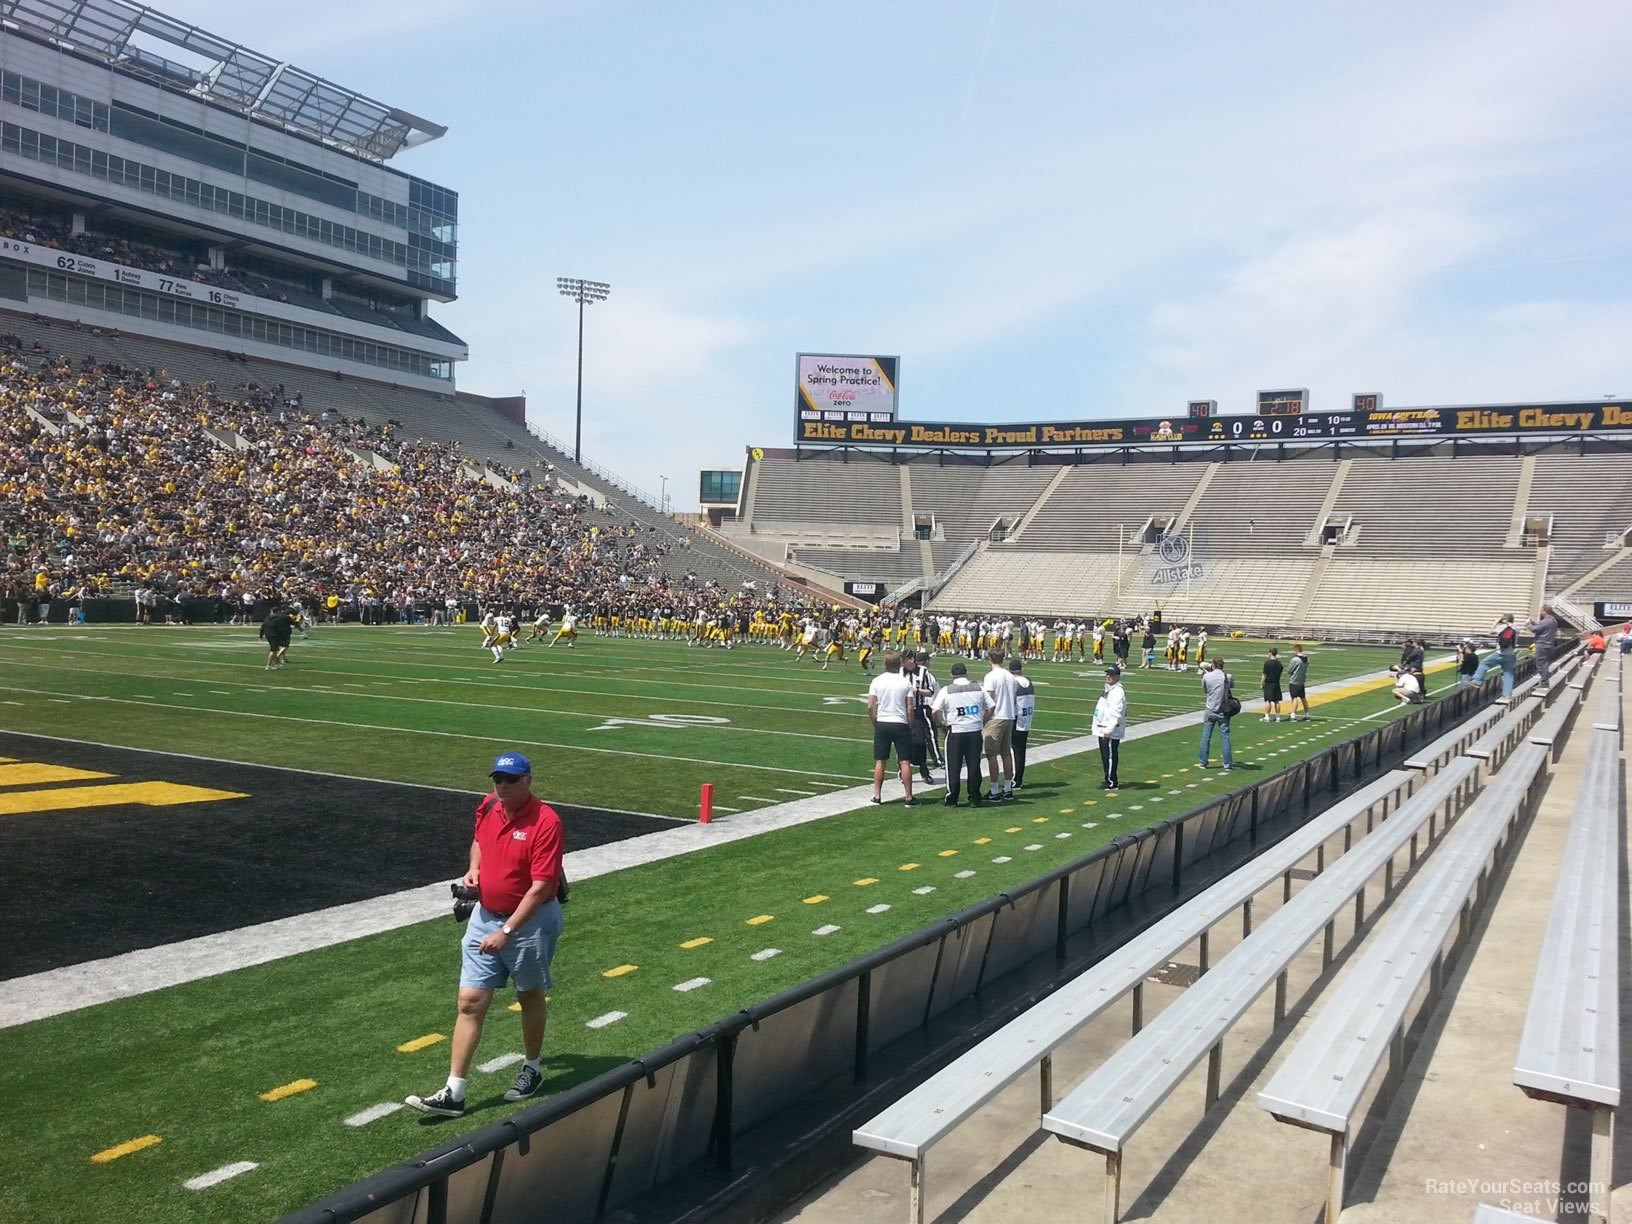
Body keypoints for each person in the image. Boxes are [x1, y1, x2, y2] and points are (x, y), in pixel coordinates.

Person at [406, 752, 565, 1118]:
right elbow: (479, 840)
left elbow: (541, 887)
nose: (503, 786)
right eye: (498, 779)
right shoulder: (490, 806)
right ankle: (454, 1091)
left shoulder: (546, 822)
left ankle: (532, 1068)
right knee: (470, 1001)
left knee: (529, 995)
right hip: (485, 915)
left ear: (528, 781)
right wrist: (474, 868)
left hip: (531, 922)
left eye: (511, 780)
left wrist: (508, 931)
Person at [931, 662, 991, 805]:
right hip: (974, 731)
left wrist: (940, 724)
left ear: (952, 675)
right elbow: (991, 706)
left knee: (953, 766)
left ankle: (952, 797)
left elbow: (935, 711)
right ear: (966, 673)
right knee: (974, 765)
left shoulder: (947, 690)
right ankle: (974, 797)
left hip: (956, 731)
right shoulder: (978, 688)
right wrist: (982, 722)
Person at [867, 651, 917, 805]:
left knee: (880, 761)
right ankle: (908, 797)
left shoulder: (877, 681)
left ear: (885, 664)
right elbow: (910, 708)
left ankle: (877, 795)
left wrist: (875, 721)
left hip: (883, 722)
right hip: (900, 723)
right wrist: (910, 724)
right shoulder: (905, 682)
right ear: (899, 664)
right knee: (905, 761)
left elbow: (870, 706)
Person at [981, 647, 1020, 801]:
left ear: (990, 659)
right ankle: (1008, 787)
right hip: (1009, 716)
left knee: (991, 754)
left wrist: (983, 719)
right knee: (1006, 753)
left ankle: (995, 789)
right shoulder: (1010, 676)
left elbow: (988, 700)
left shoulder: (990, 676)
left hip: (996, 717)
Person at [1092, 665, 1127, 790]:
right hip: (1103, 727)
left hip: (1110, 729)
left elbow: (1116, 712)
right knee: (1105, 755)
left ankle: (1112, 781)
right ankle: (1108, 778)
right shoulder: (1109, 689)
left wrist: (1109, 729)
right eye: (1108, 674)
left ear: (1117, 677)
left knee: (1111, 755)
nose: (1108, 677)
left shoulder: (1117, 692)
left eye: (1111, 675)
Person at [1199, 657, 1235, 771]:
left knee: (1206, 736)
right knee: (1225, 736)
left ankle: (1203, 762)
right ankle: (1227, 763)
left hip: (1210, 709)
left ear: (1213, 665)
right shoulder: (1227, 677)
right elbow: (1232, 686)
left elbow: (1205, 690)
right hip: (1223, 710)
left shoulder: (1206, 676)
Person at [1470, 614, 1519, 697]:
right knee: (1508, 674)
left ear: (1505, 619)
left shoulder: (1503, 627)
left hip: (1500, 653)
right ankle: (1507, 694)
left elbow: (1491, 632)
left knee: (1484, 663)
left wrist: (1496, 622)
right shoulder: (1517, 628)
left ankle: (1477, 681)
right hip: (1511, 654)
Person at [1010, 658, 1036, 789]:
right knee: (1021, 750)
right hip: (1027, 718)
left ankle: (1015, 779)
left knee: (1015, 749)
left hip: (1016, 718)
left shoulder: (1013, 682)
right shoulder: (1028, 681)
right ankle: (1018, 777)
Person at [1527, 605, 1558, 685]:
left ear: (1545, 611)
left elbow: (1534, 629)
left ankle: (1544, 682)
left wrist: (1528, 624)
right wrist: (1533, 622)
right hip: (1549, 645)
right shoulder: (1553, 620)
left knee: (1541, 664)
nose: (1540, 612)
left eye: (1541, 610)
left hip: (1542, 645)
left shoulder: (1546, 621)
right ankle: (1544, 681)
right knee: (1544, 664)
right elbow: (1541, 627)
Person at [259, 604, 292, 671]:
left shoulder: (268, 617)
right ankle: (268, 666)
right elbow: (280, 627)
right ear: (278, 611)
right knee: (273, 650)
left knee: (275, 649)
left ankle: (277, 664)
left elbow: (263, 626)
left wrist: (261, 635)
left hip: (268, 634)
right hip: (273, 635)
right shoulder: (278, 618)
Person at [1286, 644, 1310, 720]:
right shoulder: (1306, 659)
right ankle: (1307, 714)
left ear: (1296, 650)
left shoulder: (1295, 659)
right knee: (1303, 698)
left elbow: (1289, 670)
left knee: (1294, 698)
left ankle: (1293, 714)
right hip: (1301, 681)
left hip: (1294, 681)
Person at [1261, 648, 1284, 722]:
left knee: (1268, 700)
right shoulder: (1279, 663)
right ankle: (1278, 717)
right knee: (1276, 701)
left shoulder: (1267, 663)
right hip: (1276, 683)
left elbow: (1264, 675)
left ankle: (1267, 716)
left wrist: (1262, 683)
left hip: (1269, 683)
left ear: (1271, 653)